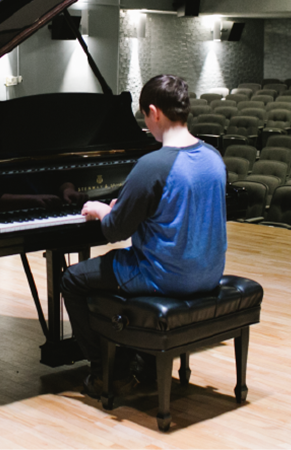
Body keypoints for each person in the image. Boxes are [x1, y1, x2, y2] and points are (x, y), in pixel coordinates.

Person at [61, 74, 227, 395]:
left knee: (72, 279)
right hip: (208, 274)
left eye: (144, 118)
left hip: (164, 276)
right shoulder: (213, 157)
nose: (146, 125)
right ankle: (144, 360)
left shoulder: (153, 165)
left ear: (154, 111)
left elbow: (114, 230)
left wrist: (102, 211)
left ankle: (107, 373)